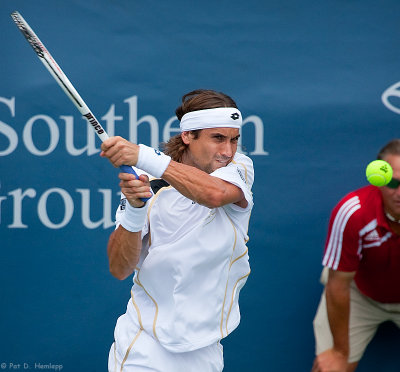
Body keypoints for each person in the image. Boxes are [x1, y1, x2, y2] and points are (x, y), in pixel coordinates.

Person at [100, 89, 254, 372]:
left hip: (206, 348)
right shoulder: (150, 184)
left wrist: (142, 155)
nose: (228, 151)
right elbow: (120, 268)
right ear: (187, 136)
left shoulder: (237, 167)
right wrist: (135, 210)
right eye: (217, 138)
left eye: (234, 139)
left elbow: (214, 194)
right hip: (145, 346)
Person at [311, 139, 400, 372]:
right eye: (392, 182)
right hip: (357, 295)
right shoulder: (353, 212)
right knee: (332, 368)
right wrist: (340, 353)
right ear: (378, 181)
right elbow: (338, 284)